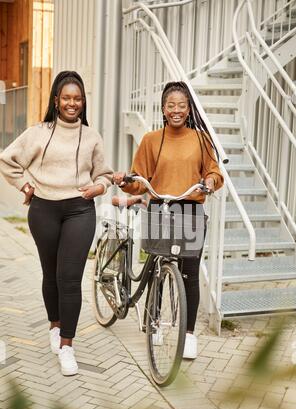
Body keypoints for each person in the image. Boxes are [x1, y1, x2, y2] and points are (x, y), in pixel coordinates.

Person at [0, 71, 113, 375]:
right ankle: (54, 325)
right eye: (67, 98)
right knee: (50, 274)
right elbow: (7, 160)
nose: (72, 103)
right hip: (44, 210)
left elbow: (105, 174)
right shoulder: (38, 133)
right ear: (56, 100)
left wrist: (98, 188)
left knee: (70, 278)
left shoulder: (91, 137)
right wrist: (25, 186)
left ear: (83, 102)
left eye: (77, 98)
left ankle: (67, 346)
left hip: (80, 210)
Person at [113, 81, 223, 359]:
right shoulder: (151, 140)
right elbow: (140, 178)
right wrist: (127, 182)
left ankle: (188, 336)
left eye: (182, 105)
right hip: (160, 208)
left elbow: (214, 172)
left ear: (189, 109)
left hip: (191, 211)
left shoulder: (201, 139)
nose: (176, 110)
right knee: (157, 269)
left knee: (190, 274)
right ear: (163, 109)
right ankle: (153, 325)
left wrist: (209, 181)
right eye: (171, 105)